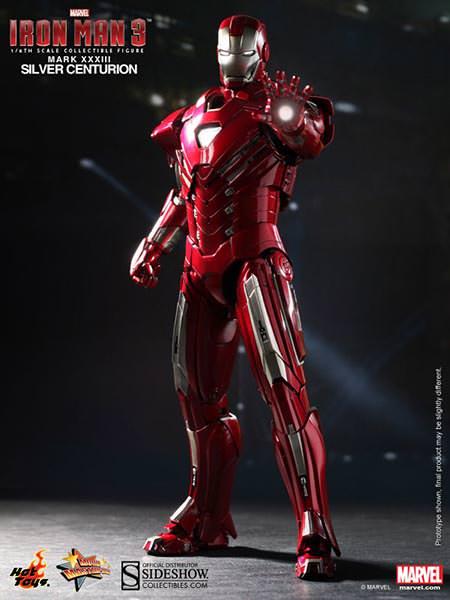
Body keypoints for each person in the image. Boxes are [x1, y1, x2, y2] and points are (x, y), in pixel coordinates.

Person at [130, 14, 340, 579]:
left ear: (260, 52)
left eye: (242, 49)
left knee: (284, 392)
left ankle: (314, 525)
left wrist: (292, 118)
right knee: (197, 398)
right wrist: (153, 244)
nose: (233, 58)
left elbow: (310, 136)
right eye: (226, 49)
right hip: (198, 268)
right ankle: (206, 516)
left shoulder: (279, 109)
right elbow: (184, 192)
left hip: (254, 260)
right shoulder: (191, 117)